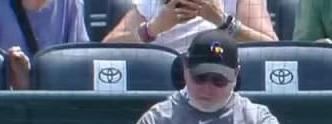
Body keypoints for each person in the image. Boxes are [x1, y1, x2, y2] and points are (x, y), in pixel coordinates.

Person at [126, 30, 282, 124]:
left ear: (235, 74)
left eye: (219, 80)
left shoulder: (259, 121)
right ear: (186, 69)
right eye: (200, 78)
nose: (208, 88)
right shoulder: (155, 121)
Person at [0, 0, 89, 90]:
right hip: (6, 114)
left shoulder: (71, 4)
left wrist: (27, 83)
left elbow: (79, 74)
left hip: (55, 112)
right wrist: (13, 79)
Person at [103, 0, 277, 53]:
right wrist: (152, 29)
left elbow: (272, 49)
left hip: (219, 84)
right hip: (163, 92)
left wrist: (223, 22)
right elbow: (106, 50)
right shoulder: (151, 3)